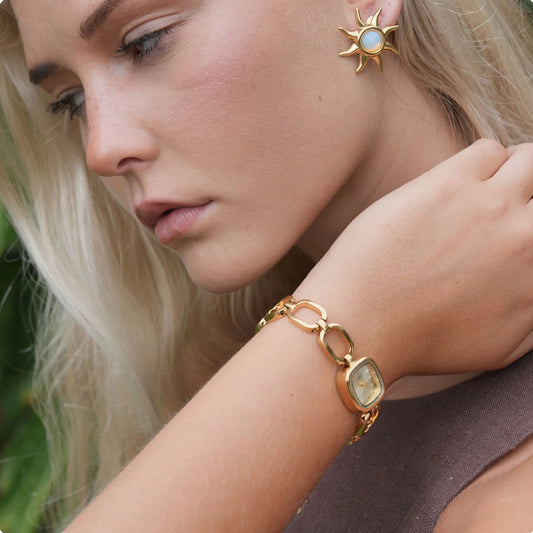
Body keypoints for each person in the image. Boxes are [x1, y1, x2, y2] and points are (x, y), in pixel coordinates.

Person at [1, 0, 533, 531]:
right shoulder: (216, 376)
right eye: (71, 101)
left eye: (147, 42)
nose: (101, 150)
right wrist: (361, 315)